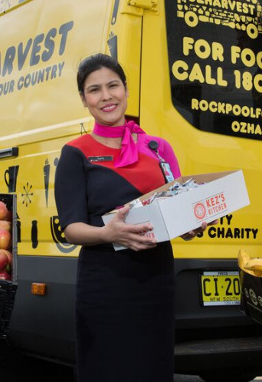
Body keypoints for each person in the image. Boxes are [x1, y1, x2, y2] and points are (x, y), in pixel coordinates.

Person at [54, 53, 207, 382]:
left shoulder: (158, 148)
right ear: (84, 99)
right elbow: (71, 228)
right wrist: (109, 234)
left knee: (152, 368)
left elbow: (175, 211)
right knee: (105, 369)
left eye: (113, 86)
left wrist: (191, 224)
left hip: (155, 279)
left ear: (126, 89)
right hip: (104, 281)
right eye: (94, 90)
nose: (106, 96)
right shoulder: (74, 153)